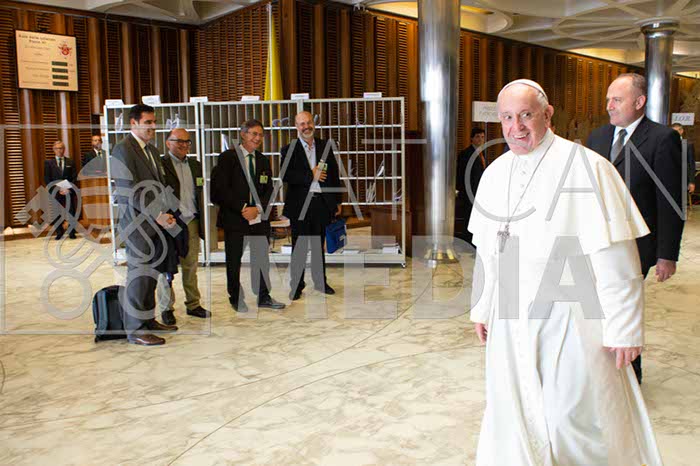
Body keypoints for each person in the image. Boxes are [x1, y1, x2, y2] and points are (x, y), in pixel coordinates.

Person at [469, 79, 663, 465]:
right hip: (510, 314)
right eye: (507, 118)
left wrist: (624, 328)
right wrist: (483, 305)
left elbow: (617, 259)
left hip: (570, 315)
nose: (516, 127)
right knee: (511, 409)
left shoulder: (587, 167)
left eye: (526, 115)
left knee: (569, 419)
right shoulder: (494, 173)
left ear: (547, 114)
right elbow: (489, 252)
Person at [587, 73, 684, 383]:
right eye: (608, 100)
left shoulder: (662, 139)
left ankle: (630, 377)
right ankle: (603, 374)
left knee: (624, 306)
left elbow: (670, 201)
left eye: (616, 100)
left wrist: (667, 255)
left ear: (639, 102)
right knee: (597, 306)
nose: (609, 106)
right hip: (597, 241)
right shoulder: (597, 137)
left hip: (636, 244)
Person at [111, 104, 178, 346]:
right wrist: (157, 214)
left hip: (155, 224)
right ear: (133, 123)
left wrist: (166, 213)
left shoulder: (151, 149)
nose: (152, 126)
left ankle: (148, 321)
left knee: (151, 275)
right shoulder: (123, 149)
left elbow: (157, 187)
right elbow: (130, 190)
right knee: (139, 275)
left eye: (153, 122)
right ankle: (135, 329)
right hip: (137, 226)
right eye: (147, 122)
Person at [211, 119, 285, 313]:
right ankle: (235, 298)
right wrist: (243, 208)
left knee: (261, 259)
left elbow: (268, 190)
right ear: (243, 134)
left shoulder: (263, 160)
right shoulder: (227, 158)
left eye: (260, 135)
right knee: (234, 260)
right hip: (235, 218)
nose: (257, 138)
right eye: (253, 134)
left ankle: (264, 296)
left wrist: (257, 208)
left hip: (258, 219)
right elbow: (220, 190)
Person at [281, 111, 341, 301]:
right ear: (296, 127)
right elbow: (285, 175)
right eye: (302, 124)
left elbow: (334, 174)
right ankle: (296, 285)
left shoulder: (325, 146)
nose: (306, 127)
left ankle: (320, 282)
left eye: (308, 123)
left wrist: (337, 201)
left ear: (313, 124)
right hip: (299, 206)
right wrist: (310, 175)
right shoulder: (288, 149)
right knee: (299, 247)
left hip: (321, 203)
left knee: (318, 246)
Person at [155, 128, 210, 325]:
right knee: (166, 268)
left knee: (191, 266)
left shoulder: (195, 165)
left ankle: (193, 304)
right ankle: (166, 308)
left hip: (191, 222)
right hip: (170, 223)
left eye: (187, 141)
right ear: (168, 142)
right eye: (179, 141)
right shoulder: (160, 165)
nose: (184, 145)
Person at [456, 127, 486, 246]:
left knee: (476, 218)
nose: (480, 139)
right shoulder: (465, 154)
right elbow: (460, 175)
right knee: (468, 218)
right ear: (471, 139)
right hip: (469, 193)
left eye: (482, 137)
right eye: (477, 137)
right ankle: (467, 244)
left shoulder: (482, 153)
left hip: (479, 193)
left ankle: (474, 242)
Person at [44, 140, 78, 240]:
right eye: (57, 148)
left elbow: (74, 178)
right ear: (53, 150)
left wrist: (68, 189)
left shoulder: (70, 162)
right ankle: (59, 232)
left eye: (61, 148)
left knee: (71, 212)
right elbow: (47, 179)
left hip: (68, 191)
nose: (59, 150)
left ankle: (72, 232)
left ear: (64, 149)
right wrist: (57, 190)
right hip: (56, 192)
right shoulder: (48, 163)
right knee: (56, 213)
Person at [671, 122, 696, 195]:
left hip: (684, 179)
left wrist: (692, 182)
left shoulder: (688, 145)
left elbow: (691, 164)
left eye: (677, 131)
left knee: (682, 200)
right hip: (670, 179)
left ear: (681, 131)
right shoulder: (667, 144)